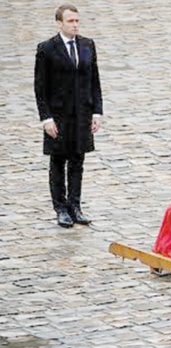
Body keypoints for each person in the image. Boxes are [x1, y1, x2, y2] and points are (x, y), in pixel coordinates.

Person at [34, 4, 103, 227]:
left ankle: (75, 205)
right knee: (58, 162)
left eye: (76, 21)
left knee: (77, 160)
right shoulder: (47, 49)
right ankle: (60, 208)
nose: (75, 25)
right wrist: (46, 118)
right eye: (70, 21)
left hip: (82, 113)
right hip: (59, 116)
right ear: (59, 23)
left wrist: (97, 111)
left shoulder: (87, 45)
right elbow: (40, 87)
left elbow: (94, 80)